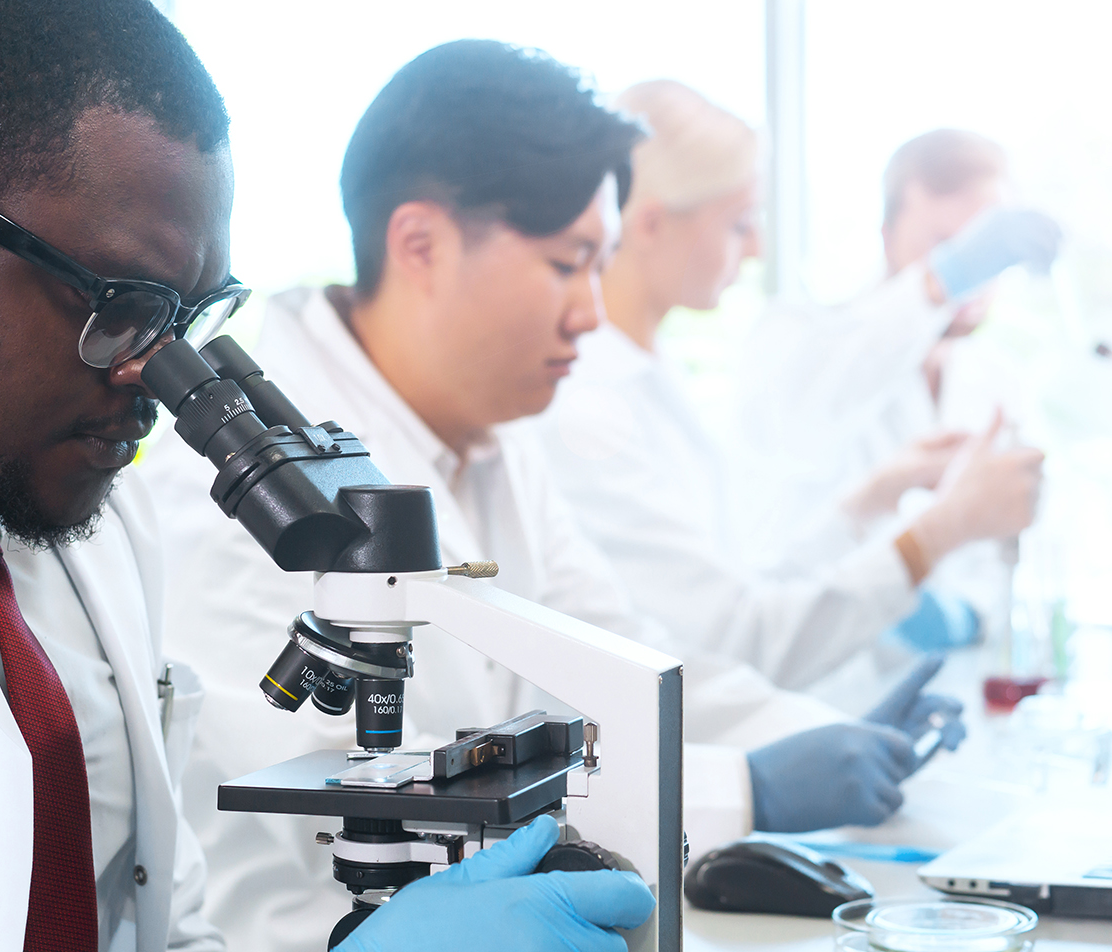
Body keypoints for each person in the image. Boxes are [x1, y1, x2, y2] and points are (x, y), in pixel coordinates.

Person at [0, 3, 660, 950]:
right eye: (119, 302)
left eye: (187, 320)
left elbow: (161, 927)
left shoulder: (69, 492)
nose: (154, 380)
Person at [142, 43, 965, 952]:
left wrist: (820, 736)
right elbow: (332, 833)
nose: (592, 313)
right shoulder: (247, 504)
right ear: (420, 244)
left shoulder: (495, 442)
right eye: (568, 264)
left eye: (599, 265)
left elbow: (620, 657)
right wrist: (747, 787)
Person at [533, 82, 1045, 690]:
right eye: (740, 223)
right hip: (705, 729)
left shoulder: (659, 378)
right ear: (648, 225)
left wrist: (875, 498)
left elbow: (747, 585)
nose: (757, 248)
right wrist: (934, 535)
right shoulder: (589, 403)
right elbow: (736, 637)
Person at [732, 129, 1061, 581]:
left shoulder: (999, 378)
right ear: (887, 235)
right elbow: (796, 425)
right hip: (832, 645)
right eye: (945, 246)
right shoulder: (803, 337)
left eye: (988, 250)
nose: (975, 277)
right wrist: (943, 279)